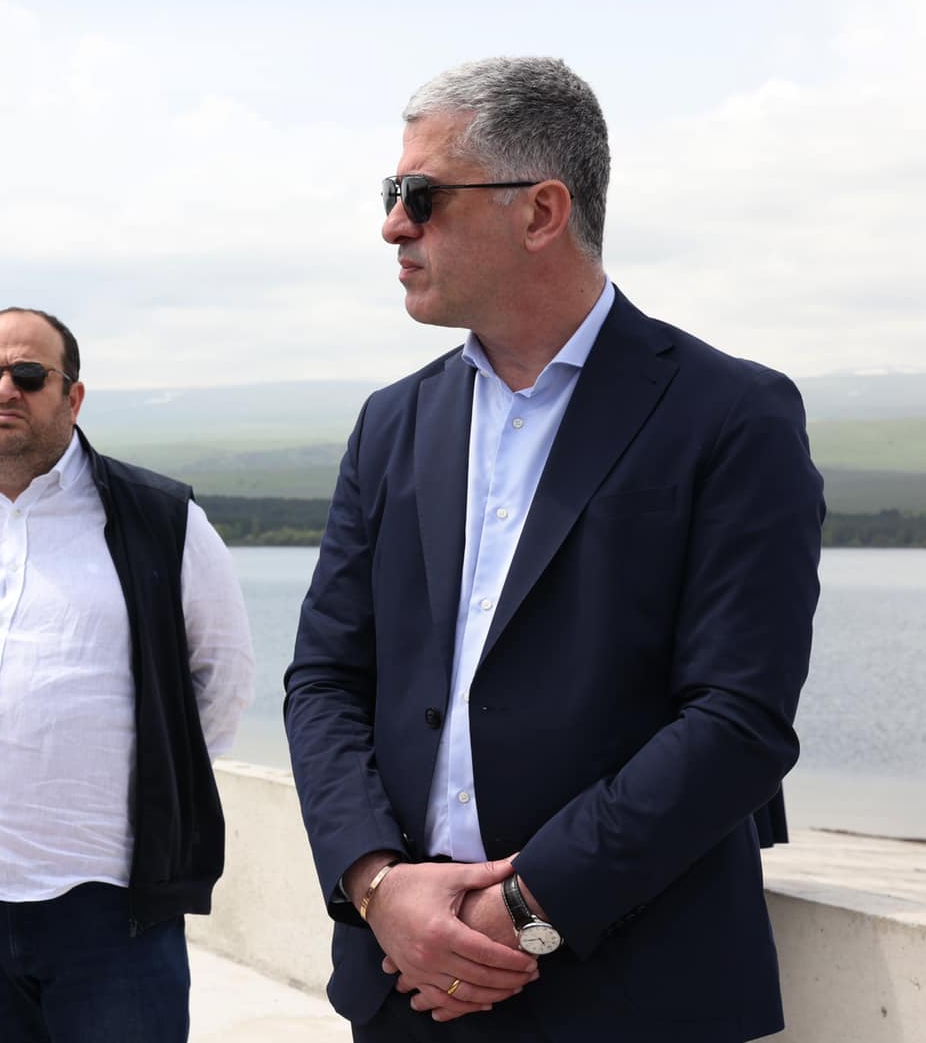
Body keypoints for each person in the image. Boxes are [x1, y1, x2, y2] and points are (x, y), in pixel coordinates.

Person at [284, 57, 823, 1042]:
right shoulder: (391, 424)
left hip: (632, 997)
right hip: (402, 988)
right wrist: (377, 884)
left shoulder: (730, 415)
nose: (393, 225)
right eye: (390, 194)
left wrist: (524, 911)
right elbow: (324, 677)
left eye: (420, 194)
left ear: (539, 212)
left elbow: (738, 718)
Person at [0, 306, 256, 1043]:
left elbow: (222, 678)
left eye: (29, 375)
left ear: (73, 396)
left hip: (106, 896)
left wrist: (145, 784)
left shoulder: (160, 520)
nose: (4, 390)